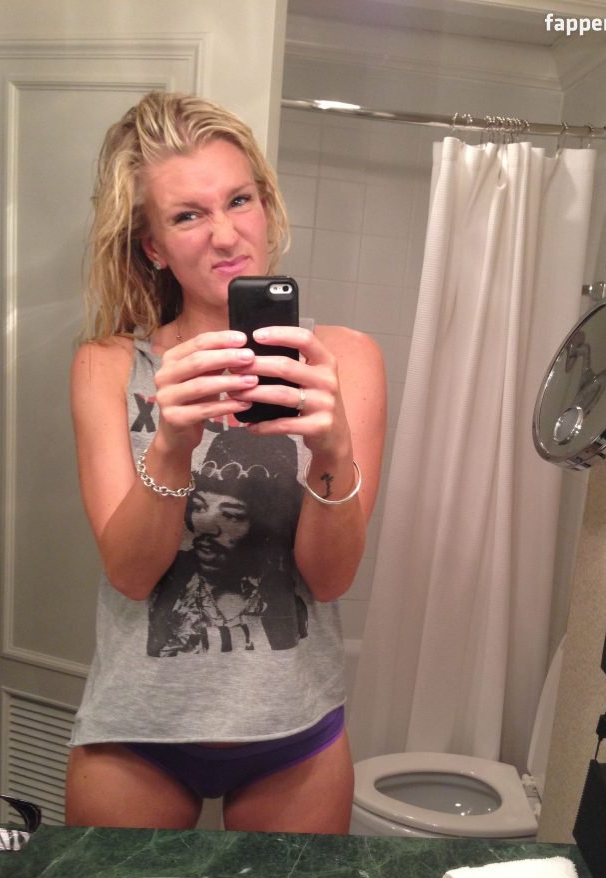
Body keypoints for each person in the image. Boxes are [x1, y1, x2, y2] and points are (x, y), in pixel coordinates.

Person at [65, 91, 386, 832]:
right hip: (137, 731)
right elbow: (131, 575)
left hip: (294, 730)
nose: (225, 234)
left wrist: (332, 449)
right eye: (187, 215)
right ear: (153, 246)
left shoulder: (345, 360)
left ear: (265, 206)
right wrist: (172, 443)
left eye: (239, 200)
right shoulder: (108, 365)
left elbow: (330, 579)